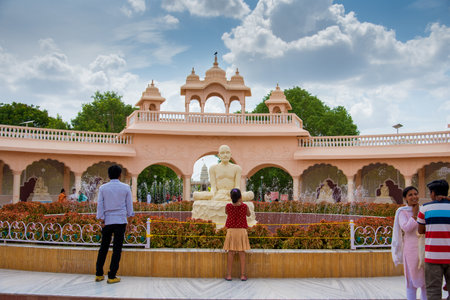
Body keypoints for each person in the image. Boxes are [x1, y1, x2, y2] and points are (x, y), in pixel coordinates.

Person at [95, 164, 134, 284]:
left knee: (103, 248)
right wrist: (130, 218)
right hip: (120, 220)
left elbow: (100, 204)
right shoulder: (126, 187)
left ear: (109, 175)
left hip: (107, 220)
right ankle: (112, 275)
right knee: (117, 249)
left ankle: (99, 274)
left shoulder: (103, 188)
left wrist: (101, 219)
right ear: (120, 175)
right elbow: (129, 205)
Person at [391, 186, 427, 300]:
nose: (414, 197)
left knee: (426, 281)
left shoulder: (424, 210)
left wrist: (418, 212)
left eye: (415, 194)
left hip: (424, 247)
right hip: (410, 249)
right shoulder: (402, 212)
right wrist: (415, 215)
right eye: (410, 195)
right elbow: (406, 228)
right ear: (405, 198)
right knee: (411, 281)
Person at [417, 179, 450, 300]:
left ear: (433, 193)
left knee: (433, 291)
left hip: (433, 257)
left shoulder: (425, 208)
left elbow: (420, 230)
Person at [224, 188, 251, 281]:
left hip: (231, 231)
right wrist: (242, 203)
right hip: (241, 231)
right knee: (242, 253)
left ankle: (229, 275)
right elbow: (249, 214)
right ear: (240, 197)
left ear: (231, 197)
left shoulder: (228, 206)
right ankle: (243, 275)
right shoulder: (244, 206)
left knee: (230, 253)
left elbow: (226, 212)